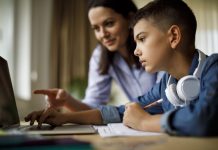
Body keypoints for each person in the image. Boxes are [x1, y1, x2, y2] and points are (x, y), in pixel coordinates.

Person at [26, 0, 218, 136]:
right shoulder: (166, 86)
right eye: (96, 28)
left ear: (173, 36)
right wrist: (64, 119)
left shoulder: (213, 68)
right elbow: (122, 111)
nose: (136, 51)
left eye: (142, 39)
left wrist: (144, 122)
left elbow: (202, 119)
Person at [25, 0, 163, 127]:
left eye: (109, 23)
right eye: (96, 28)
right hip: (141, 123)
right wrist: (67, 101)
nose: (103, 34)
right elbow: (94, 107)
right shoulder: (101, 56)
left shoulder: (154, 48)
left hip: (159, 122)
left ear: (130, 18)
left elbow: (161, 101)